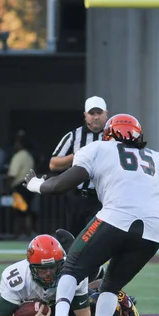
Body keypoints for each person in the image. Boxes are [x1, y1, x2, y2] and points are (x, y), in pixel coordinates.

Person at [24, 113, 159, 316]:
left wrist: (34, 184)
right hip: (153, 230)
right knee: (112, 285)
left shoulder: (99, 148)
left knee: (72, 268)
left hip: (116, 218)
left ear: (109, 134)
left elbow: (60, 185)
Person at [0, 231, 91, 316]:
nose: (48, 273)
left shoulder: (72, 272)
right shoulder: (17, 277)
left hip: (68, 303)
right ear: (31, 266)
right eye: (42, 269)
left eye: (52, 267)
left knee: (95, 304)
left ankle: (96, 273)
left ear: (60, 265)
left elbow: (83, 314)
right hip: (50, 312)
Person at [49, 96, 107, 261]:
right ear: (85, 115)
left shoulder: (113, 137)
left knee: (98, 240)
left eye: (99, 113)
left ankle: (96, 276)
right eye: (92, 113)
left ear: (106, 114)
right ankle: (71, 274)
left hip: (102, 198)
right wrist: (78, 155)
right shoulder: (74, 136)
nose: (95, 117)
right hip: (78, 198)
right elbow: (53, 163)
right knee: (73, 240)